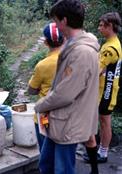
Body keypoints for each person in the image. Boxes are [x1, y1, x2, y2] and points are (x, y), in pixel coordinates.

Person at [33, 0, 100, 174]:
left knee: (62, 169)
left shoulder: (82, 52)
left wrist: (40, 105)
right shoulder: (72, 44)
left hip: (69, 123)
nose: (55, 25)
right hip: (59, 120)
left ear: (64, 21)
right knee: (46, 164)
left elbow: (65, 94)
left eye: (56, 20)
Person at [84, 12, 122, 169]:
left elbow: (97, 70)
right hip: (106, 88)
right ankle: (100, 150)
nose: (99, 28)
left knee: (105, 122)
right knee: (103, 121)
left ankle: (103, 153)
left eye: (101, 25)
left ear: (110, 26)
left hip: (106, 90)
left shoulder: (111, 48)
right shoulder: (111, 43)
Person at [28, 22, 64, 152]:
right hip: (66, 115)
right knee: (62, 153)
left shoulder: (42, 65)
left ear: (45, 43)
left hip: (45, 117)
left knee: (45, 151)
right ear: (64, 38)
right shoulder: (72, 59)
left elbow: (31, 90)